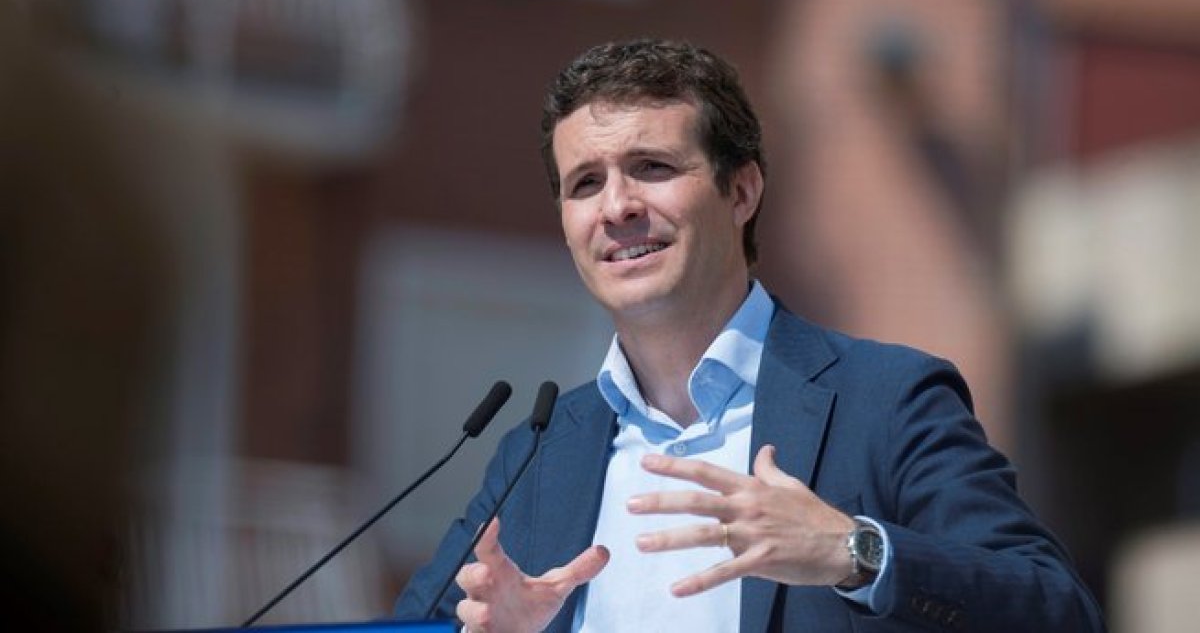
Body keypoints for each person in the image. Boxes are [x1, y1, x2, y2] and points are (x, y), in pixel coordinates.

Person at [394, 39, 1105, 632]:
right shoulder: (540, 451)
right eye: (584, 183)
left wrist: (853, 551)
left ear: (742, 192)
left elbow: (1057, 610)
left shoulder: (886, 401)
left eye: (652, 167)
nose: (616, 207)